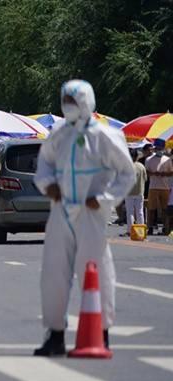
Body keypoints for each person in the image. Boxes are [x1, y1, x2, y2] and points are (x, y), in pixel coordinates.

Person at [33, 80, 135, 356]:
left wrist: (103, 199)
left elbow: (127, 173)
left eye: (73, 100)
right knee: (53, 273)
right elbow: (44, 164)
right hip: (62, 210)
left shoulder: (105, 136)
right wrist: (48, 185)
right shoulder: (58, 134)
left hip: (91, 214)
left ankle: (100, 332)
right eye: (65, 100)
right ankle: (55, 335)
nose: (68, 105)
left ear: (87, 102)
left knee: (97, 271)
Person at [145, 139, 173, 235]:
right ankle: (150, 227)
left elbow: (171, 172)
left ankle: (165, 227)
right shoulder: (149, 159)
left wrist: (163, 174)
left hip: (165, 187)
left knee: (165, 209)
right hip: (153, 187)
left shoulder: (167, 160)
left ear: (163, 148)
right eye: (157, 148)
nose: (159, 150)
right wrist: (153, 173)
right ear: (155, 148)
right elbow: (146, 172)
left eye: (161, 148)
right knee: (151, 209)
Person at [123, 149, 147, 236]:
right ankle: (141, 231)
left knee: (130, 212)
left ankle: (130, 231)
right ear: (137, 157)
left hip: (129, 192)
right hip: (140, 192)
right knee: (140, 212)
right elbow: (145, 178)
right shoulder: (141, 166)